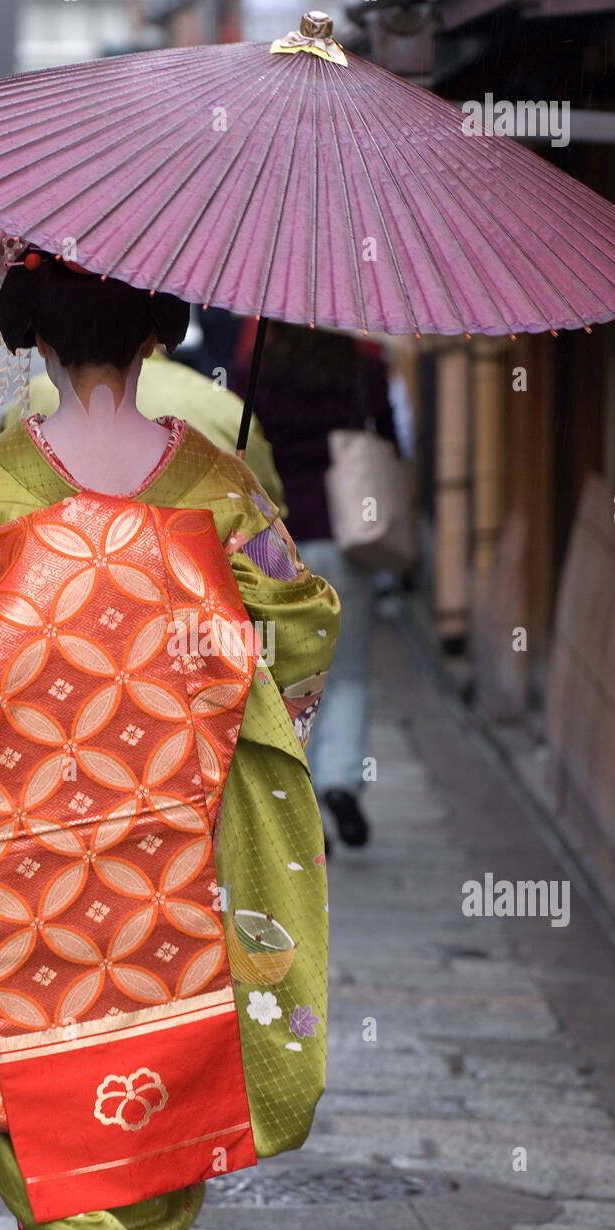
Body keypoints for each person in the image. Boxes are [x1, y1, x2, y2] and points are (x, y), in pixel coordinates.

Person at [0, 238, 340, 1230]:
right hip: (174, 853)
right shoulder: (219, 481)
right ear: (160, 327)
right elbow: (301, 625)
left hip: (26, 856)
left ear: (32, 332)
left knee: (37, 1086)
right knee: (168, 1066)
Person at [237, 320, 399, 853]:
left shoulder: (255, 367)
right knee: (348, 672)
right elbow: (389, 441)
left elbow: (242, 451)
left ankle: (300, 801)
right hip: (346, 529)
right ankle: (341, 781)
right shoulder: (363, 365)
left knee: (287, 676)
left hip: (276, 541)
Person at [1, 345, 288, 516]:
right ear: (152, 338)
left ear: (42, 342)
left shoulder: (27, 403)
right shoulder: (225, 407)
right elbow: (269, 509)